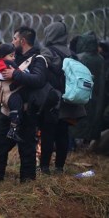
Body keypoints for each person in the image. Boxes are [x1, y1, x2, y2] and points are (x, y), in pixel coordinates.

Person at [0, 26, 48, 182]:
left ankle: (27, 181)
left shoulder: (38, 59)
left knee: (27, 148)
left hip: (26, 112)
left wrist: (15, 74)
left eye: (14, 38)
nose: (12, 41)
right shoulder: (12, 57)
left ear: (22, 41)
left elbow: (38, 80)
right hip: (6, 110)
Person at [39, 21, 86, 174]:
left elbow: (41, 74)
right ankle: (59, 167)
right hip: (68, 100)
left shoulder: (48, 52)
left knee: (47, 134)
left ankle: (44, 168)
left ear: (50, 34)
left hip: (52, 100)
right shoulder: (72, 53)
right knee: (62, 134)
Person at [0, 43, 27, 142]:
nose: (13, 58)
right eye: (11, 55)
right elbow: (20, 74)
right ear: (3, 55)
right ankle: (13, 130)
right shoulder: (10, 64)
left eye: (14, 55)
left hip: (0, 96)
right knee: (17, 107)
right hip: (10, 94)